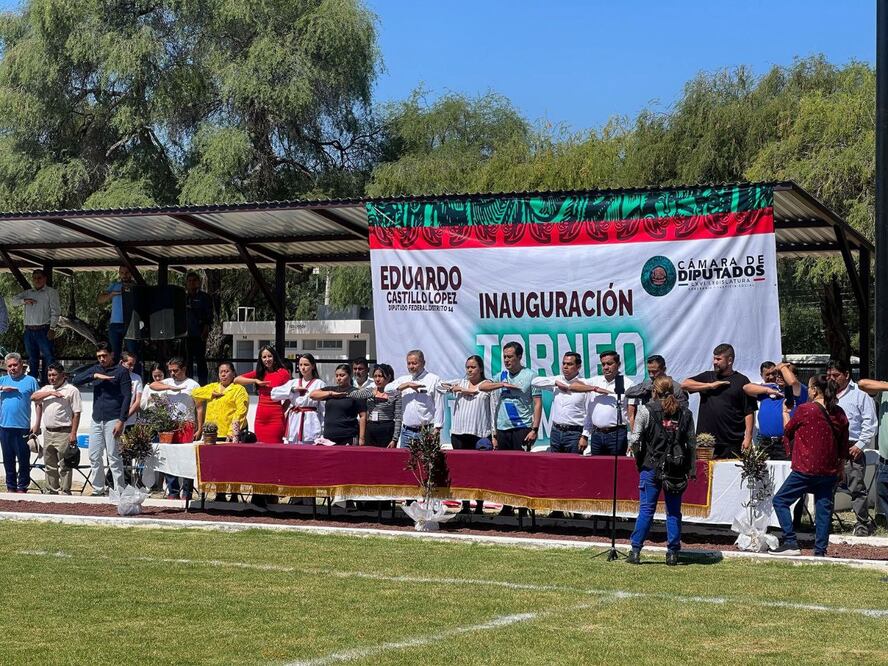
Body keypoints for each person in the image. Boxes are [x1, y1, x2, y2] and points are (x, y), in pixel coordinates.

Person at [770, 375, 849, 557]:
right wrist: (841, 467)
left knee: (780, 501)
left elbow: (788, 430)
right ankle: (820, 551)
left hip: (805, 467)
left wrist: (785, 414)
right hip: (829, 469)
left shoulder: (806, 410)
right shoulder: (839, 412)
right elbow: (844, 443)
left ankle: (790, 542)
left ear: (814, 390)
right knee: (823, 509)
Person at [626, 376, 696, 565]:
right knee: (673, 511)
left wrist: (639, 459)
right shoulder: (685, 413)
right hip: (676, 467)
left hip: (650, 465)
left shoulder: (645, 410)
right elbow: (691, 443)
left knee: (646, 509)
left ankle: (635, 550)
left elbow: (635, 440)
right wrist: (692, 468)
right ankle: (673, 552)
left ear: (654, 391)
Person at [72, 342, 131, 496]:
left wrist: (121, 420)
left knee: (113, 456)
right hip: (97, 418)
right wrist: (94, 376)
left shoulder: (121, 371)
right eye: (99, 356)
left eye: (104, 355)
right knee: (94, 455)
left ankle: (119, 490)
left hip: (114, 418)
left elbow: (127, 396)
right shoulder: (95, 369)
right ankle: (98, 489)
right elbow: (76, 380)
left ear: (111, 354)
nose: (102, 359)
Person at [826, 358, 878, 536]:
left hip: (851, 448)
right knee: (826, 488)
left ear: (846, 375)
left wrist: (860, 445)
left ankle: (862, 524)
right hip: (830, 448)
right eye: (829, 375)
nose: (832, 378)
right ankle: (825, 522)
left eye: (836, 375)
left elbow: (870, 423)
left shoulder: (860, 395)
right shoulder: (826, 395)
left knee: (857, 489)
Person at [681, 343, 756, 459]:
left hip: (732, 442)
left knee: (731, 475)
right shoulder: (708, 377)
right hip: (706, 442)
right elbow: (685, 384)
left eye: (718, 359)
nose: (715, 362)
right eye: (714, 358)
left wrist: (748, 437)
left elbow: (749, 412)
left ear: (730, 360)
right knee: (704, 475)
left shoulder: (742, 381)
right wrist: (710, 386)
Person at [441, 355, 493, 514]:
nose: (470, 370)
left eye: (473, 367)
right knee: (462, 471)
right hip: (459, 433)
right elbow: (439, 385)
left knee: (479, 472)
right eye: (468, 367)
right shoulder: (461, 382)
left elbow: (489, 402)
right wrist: (453, 388)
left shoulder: (487, 384)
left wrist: (467, 390)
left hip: (480, 433)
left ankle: (479, 505)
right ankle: (464, 504)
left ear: (481, 369)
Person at [147, 357, 200, 500]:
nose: (172, 373)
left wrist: (199, 428)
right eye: (170, 371)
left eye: (175, 370)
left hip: (187, 424)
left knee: (186, 458)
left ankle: (187, 492)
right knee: (169, 457)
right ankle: (173, 490)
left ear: (183, 369)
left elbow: (200, 407)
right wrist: (170, 387)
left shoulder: (193, 384)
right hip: (169, 424)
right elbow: (153, 385)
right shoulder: (168, 382)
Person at [480, 342, 542, 452]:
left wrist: (535, 430)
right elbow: (482, 387)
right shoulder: (501, 376)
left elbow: (537, 403)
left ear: (519, 357)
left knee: (520, 464)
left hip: (522, 426)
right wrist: (502, 384)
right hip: (502, 427)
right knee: (504, 464)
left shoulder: (531, 375)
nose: (506, 360)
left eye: (510, 357)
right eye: (504, 357)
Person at [570, 350, 635, 456]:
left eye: (609, 364)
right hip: (596, 435)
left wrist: (633, 440)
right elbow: (572, 386)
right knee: (598, 468)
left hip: (617, 435)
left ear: (618, 365)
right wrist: (595, 389)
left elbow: (632, 415)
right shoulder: (595, 381)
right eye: (603, 364)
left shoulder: (628, 384)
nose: (605, 367)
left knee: (616, 469)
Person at [31, 363, 81, 495]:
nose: (51, 378)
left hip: (64, 431)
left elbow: (77, 413)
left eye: (54, 375)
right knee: (49, 464)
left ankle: (65, 491)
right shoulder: (46, 389)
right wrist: (51, 392)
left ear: (63, 375)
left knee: (65, 464)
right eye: (49, 375)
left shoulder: (71, 390)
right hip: (48, 432)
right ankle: (51, 491)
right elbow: (33, 397)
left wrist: (73, 433)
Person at [744, 361, 808, 460]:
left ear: (794, 375)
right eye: (778, 374)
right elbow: (746, 388)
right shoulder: (771, 388)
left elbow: (793, 382)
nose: (778, 377)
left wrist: (782, 366)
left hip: (786, 443)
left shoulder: (799, 391)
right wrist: (767, 390)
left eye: (782, 374)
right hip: (765, 443)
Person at [10, 269, 60, 384]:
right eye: (34, 278)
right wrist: (24, 301)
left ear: (44, 279)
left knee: (49, 357)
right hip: (29, 330)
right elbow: (13, 301)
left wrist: (52, 328)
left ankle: (49, 382)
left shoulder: (51, 292)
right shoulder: (28, 292)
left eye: (39, 278)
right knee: (32, 358)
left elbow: (55, 311)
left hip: (44, 329)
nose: (37, 280)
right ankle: (32, 383)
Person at [531, 352, 588, 454]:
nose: (565, 367)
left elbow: (589, 413)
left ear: (578, 366)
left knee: (573, 466)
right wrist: (555, 383)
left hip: (574, 433)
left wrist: (585, 435)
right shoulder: (558, 380)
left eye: (570, 364)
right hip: (556, 431)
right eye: (564, 363)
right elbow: (534, 382)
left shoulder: (584, 384)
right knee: (555, 465)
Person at [233, 345, 292, 443]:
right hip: (261, 417)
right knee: (261, 446)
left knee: (275, 447)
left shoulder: (283, 373)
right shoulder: (260, 373)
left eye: (269, 356)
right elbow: (236, 380)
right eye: (264, 357)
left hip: (276, 417)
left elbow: (291, 393)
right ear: (261, 359)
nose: (267, 359)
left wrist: (282, 409)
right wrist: (255, 380)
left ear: (274, 357)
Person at [386, 350, 444, 448]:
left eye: (414, 363)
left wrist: (437, 428)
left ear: (423, 363)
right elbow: (387, 390)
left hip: (426, 432)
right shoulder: (404, 380)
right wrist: (407, 385)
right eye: (409, 363)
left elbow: (439, 404)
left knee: (427, 462)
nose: (411, 366)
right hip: (406, 432)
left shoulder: (433, 379)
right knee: (405, 462)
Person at [0, 352, 39, 493]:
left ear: (21, 364)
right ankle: (10, 487)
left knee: (23, 459)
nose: (12, 368)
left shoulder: (30, 381)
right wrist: (3, 389)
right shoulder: (2, 380)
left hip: (23, 427)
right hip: (4, 427)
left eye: (15, 365)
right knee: (8, 458)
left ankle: (22, 487)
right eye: (9, 366)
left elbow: (38, 403)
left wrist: (37, 424)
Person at [270, 353, 325, 445]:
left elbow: (323, 409)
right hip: (294, 420)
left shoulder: (319, 383)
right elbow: (273, 394)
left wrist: (323, 430)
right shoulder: (293, 383)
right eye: (300, 365)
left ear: (313, 366)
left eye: (306, 365)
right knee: (293, 449)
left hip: (311, 421)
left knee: (310, 448)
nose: (303, 368)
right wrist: (292, 390)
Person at [309, 364, 367, 445]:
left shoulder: (356, 392)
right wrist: (331, 394)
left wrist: (362, 438)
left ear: (349, 376)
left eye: (342, 375)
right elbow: (312, 395)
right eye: (336, 376)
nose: (339, 378)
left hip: (348, 436)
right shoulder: (331, 390)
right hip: (329, 436)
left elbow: (363, 416)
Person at [857, 377, 888, 528]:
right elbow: (862, 384)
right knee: (883, 493)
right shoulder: (884, 388)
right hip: (885, 458)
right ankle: (885, 523)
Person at [192, 362, 249, 441]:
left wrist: (231, 432)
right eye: (221, 372)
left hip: (228, 435)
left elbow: (241, 412)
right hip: (210, 433)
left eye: (226, 371)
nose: (223, 374)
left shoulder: (239, 389)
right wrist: (211, 394)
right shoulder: (213, 386)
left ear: (233, 373)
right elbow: (195, 393)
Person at [625, 354, 688, 425]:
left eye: (655, 371)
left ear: (664, 369)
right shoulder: (647, 385)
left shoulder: (676, 387)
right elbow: (628, 393)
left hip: (670, 428)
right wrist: (649, 388)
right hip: (650, 429)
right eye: (649, 371)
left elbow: (684, 412)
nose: (651, 375)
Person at [98, 265, 138, 364]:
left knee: (132, 353)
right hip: (115, 323)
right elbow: (100, 299)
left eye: (127, 272)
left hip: (131, 324)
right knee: (114, 353)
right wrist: (112, 294)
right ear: (119, 273)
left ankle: (135, 376)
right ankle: (115, 374)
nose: (124, 275)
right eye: (122, 273)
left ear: (131, 273)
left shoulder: (136, 285)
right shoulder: (115, 285)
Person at [184, 271, 213, 385]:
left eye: (194, 281)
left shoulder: (204, 297)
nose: (191, 283)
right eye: (189, 281)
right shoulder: (184, 297)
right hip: (186, 335)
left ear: (198, 283)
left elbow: (209, 316)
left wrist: (206, 330)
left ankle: (203, 384)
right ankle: (188, 384)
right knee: (188, 361)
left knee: (201, 361)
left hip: (199, 334)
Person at [363, 364, 402, 448]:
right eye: (375, 376)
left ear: (388, 377)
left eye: (380, 376)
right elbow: (356, 394)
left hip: (387, 429)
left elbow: (398, 417)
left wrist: (395, 439)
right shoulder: (369, 391)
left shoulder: (395, 393)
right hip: (371, 429)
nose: (377, 379)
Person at [120, 352, 143, 432]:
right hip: (115, 419)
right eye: (130, 364)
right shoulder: (114, 375)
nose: (132, 367)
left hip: (130, 421)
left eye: (133, 365)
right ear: (122, 362)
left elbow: (138, 401)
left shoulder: (137, 378)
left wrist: (125, 417)